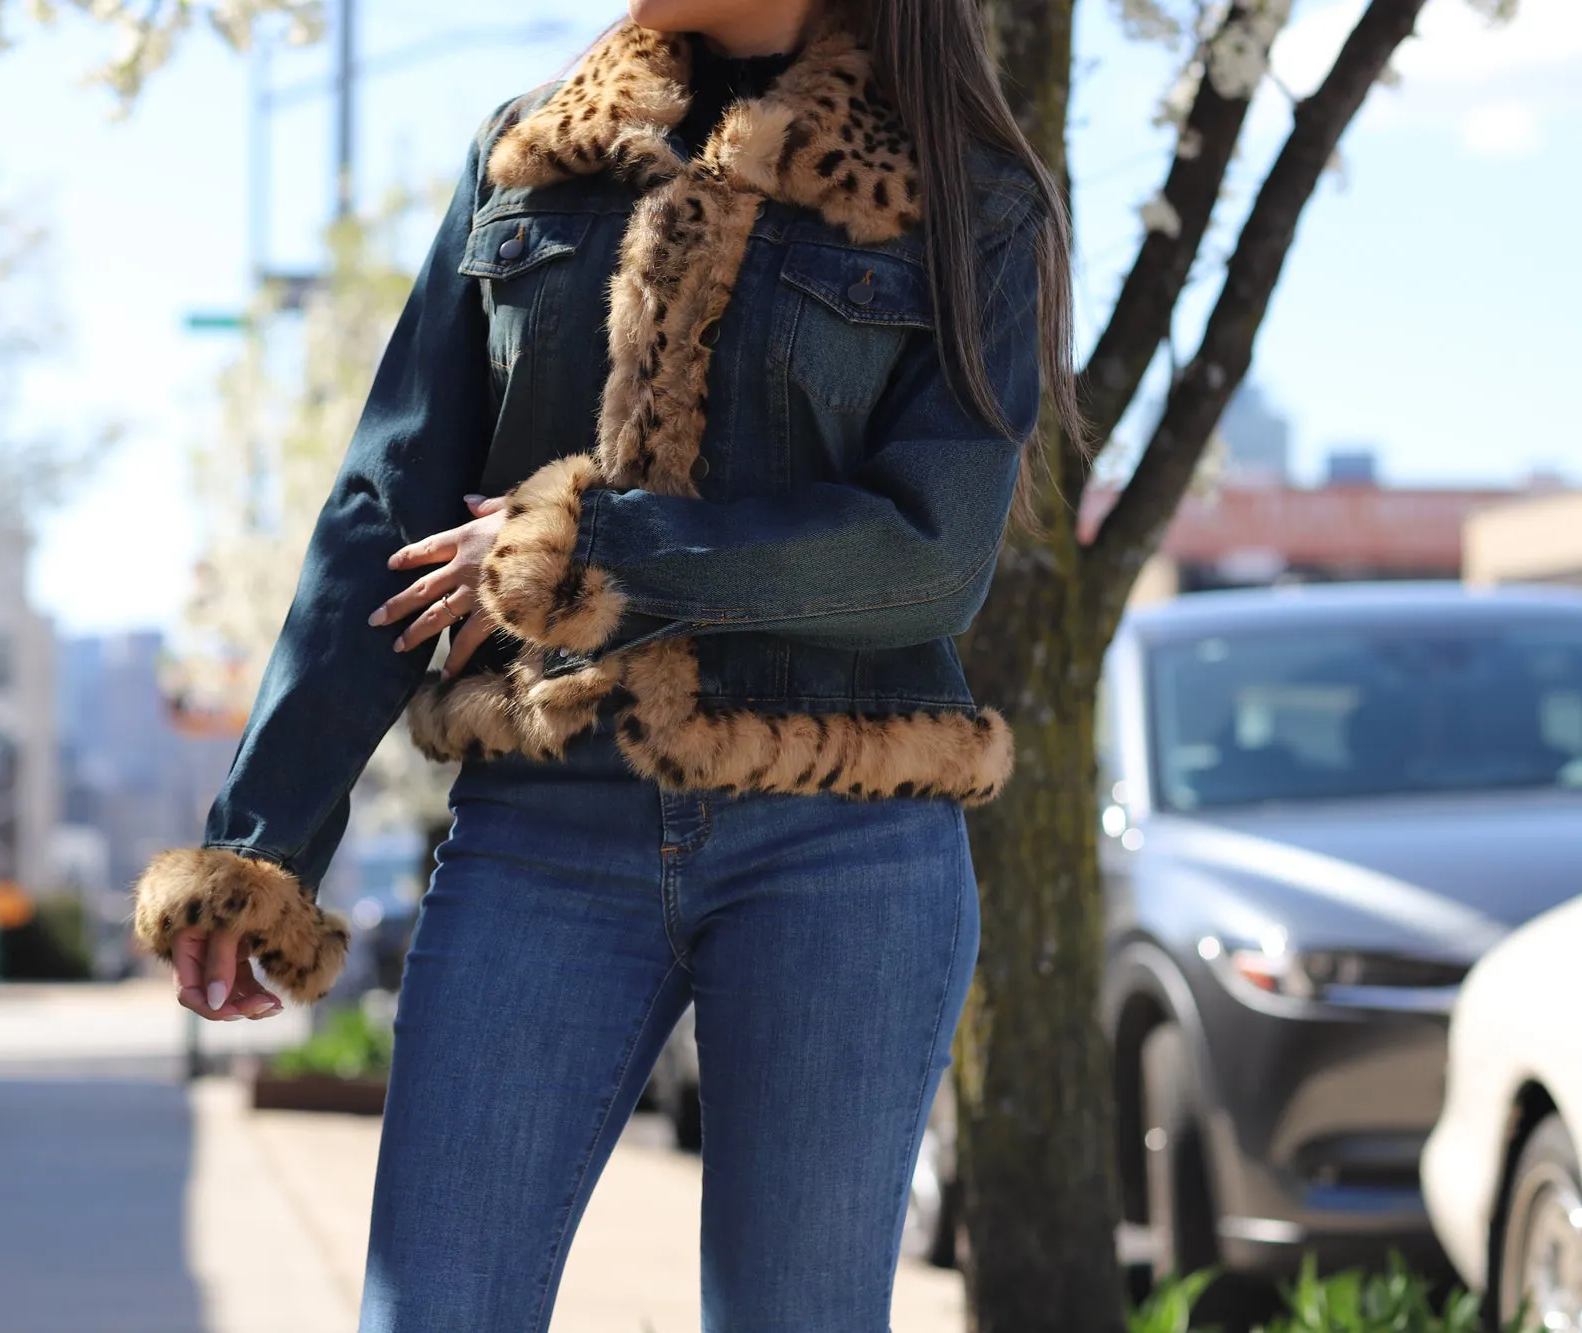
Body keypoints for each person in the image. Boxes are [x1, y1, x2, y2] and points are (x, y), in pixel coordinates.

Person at [134, 0, 1082, 1325]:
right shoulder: (527, 153)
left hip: (843, 841)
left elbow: (929, 558)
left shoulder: (969, 194)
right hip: (542, 828)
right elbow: (384, 516)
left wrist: (594, 556)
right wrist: (261, 845)